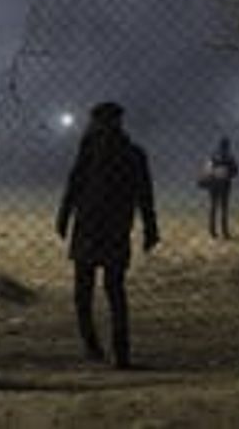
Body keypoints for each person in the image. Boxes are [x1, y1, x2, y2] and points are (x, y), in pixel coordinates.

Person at [56, 102, 159, 370]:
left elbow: (73, 184)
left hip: (90, 228)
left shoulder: (90, 149)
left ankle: (94, 348)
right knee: (114, 291)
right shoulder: (132, 153)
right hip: (114, 229)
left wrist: (64, 217)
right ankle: (119, 353)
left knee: (84, 292)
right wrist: (150, 228)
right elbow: (145, 195)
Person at [204, 136, 238, 240]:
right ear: (228, 146)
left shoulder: (213, 156)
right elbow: (235, 171)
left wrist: (213, 175)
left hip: (214, 184)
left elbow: (208, 169)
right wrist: (227, 174)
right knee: (223, 209)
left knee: (213, 208)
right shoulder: (230, 157)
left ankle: (212, 231)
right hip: (225, 185)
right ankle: (224, 232)